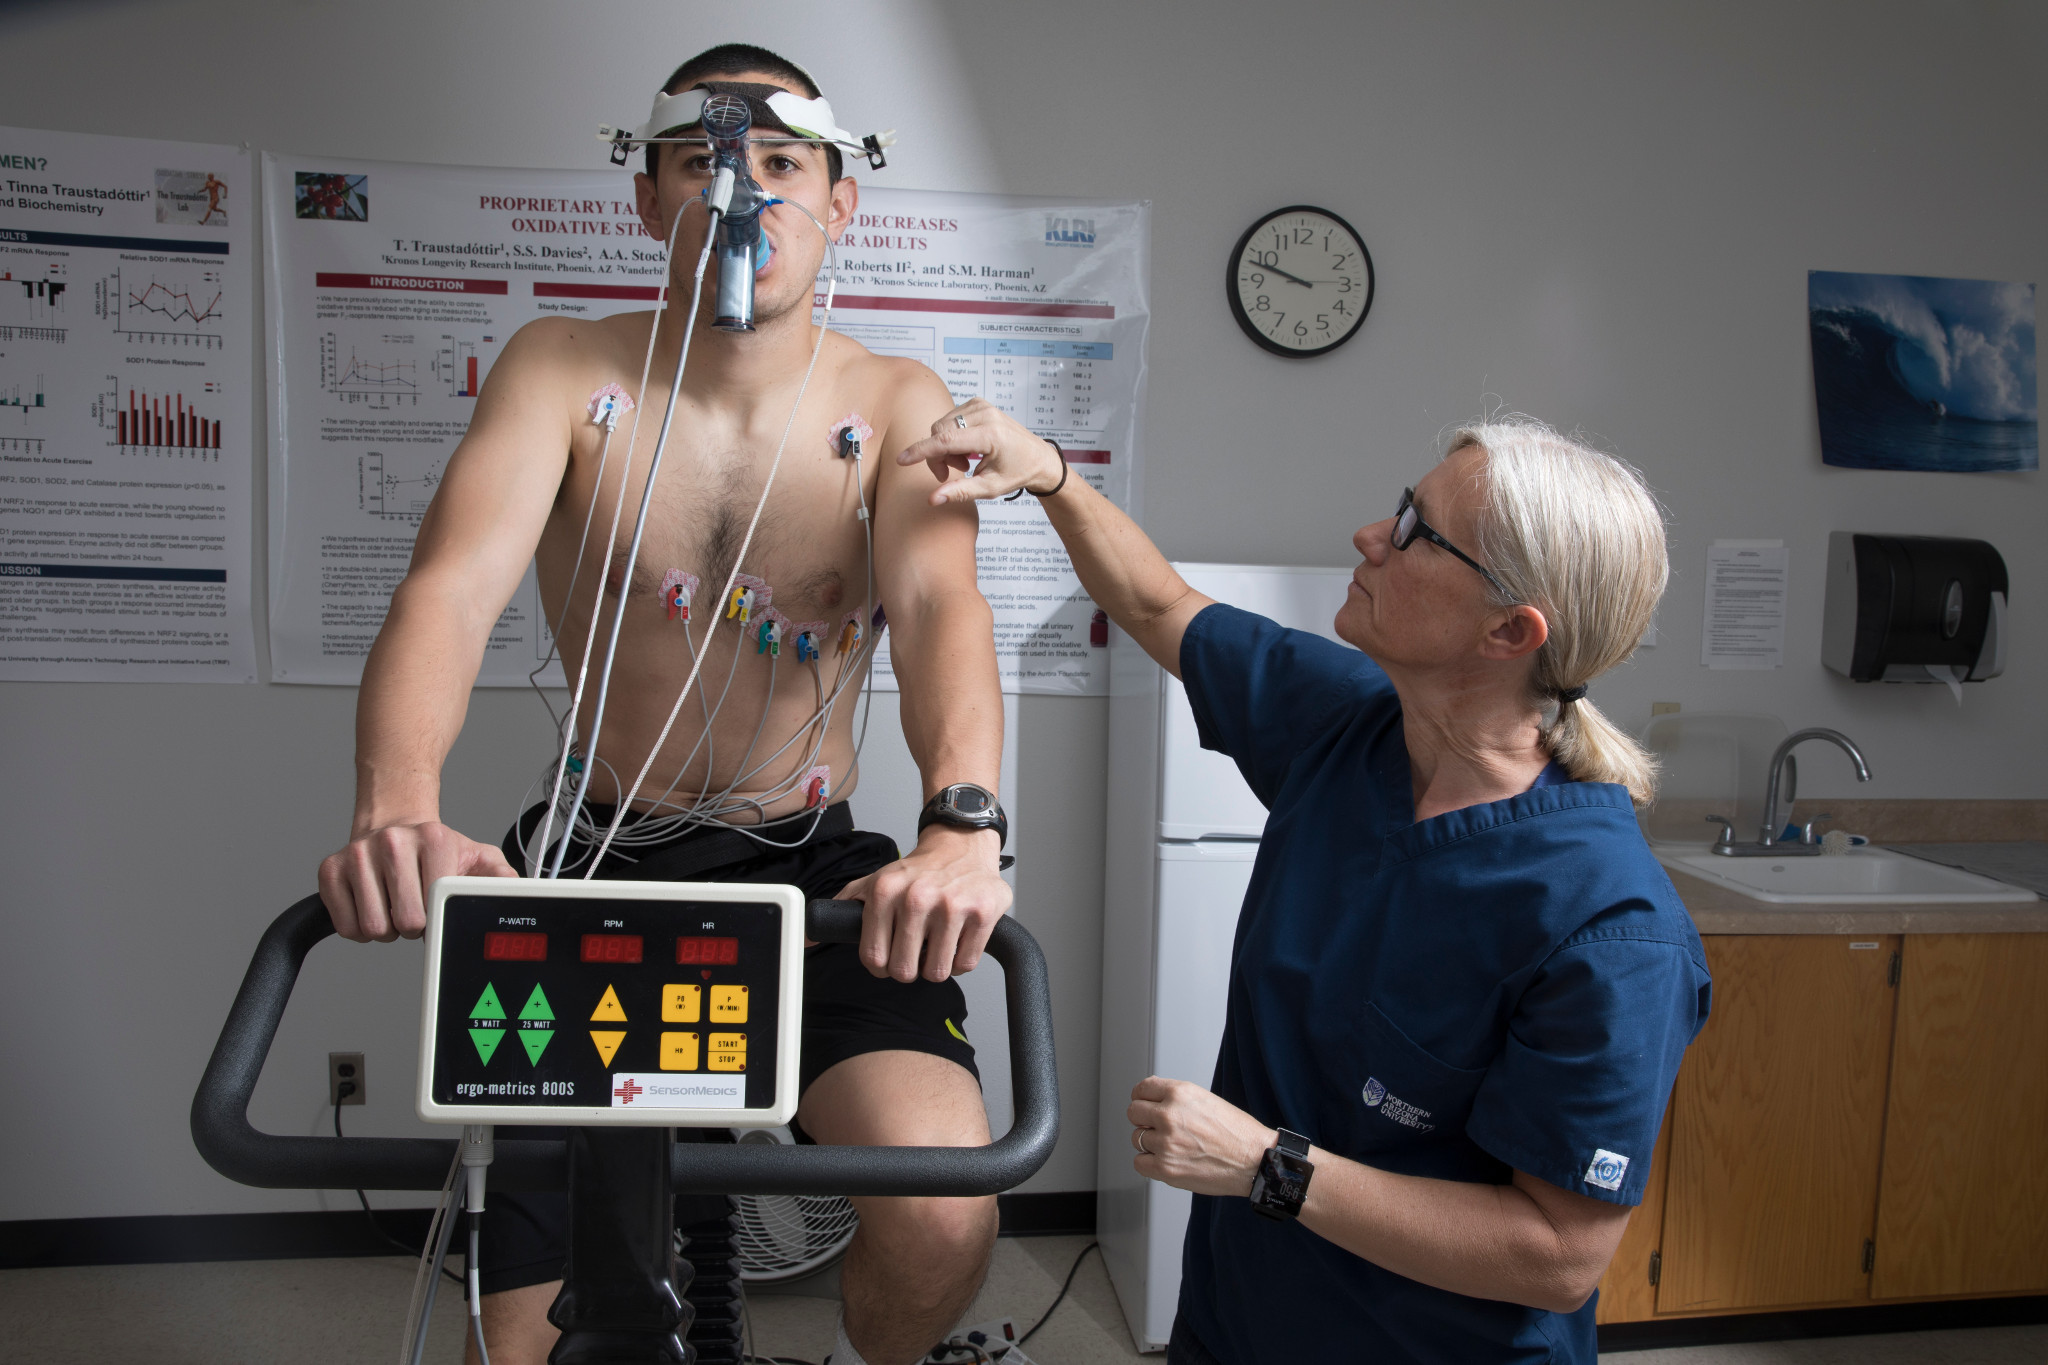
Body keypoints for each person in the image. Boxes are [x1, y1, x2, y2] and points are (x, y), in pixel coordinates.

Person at [318, 44, 1010, 1365]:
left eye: (782, 163)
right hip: (594, 864)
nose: (744, 192)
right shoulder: (563, 373)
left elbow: (939, 615)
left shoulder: (887, 401)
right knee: (521, 1341)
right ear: (648, 199)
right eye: (703, 161)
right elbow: (451, 595)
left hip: (812, 868)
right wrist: (396, 808)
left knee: (938, 1206)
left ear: (841, 199)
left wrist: (963, 822)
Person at [902, 405, 1712, 1364]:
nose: (1372, 536)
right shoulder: (1350, 725)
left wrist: (1267, 1167)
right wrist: (1049, 475)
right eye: (1401, 507)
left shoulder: (1609, 928)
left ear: (1509, 631)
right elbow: (1160, 606)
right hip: (1237, 1317)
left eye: (1417, 532)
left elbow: (1557, 1254)